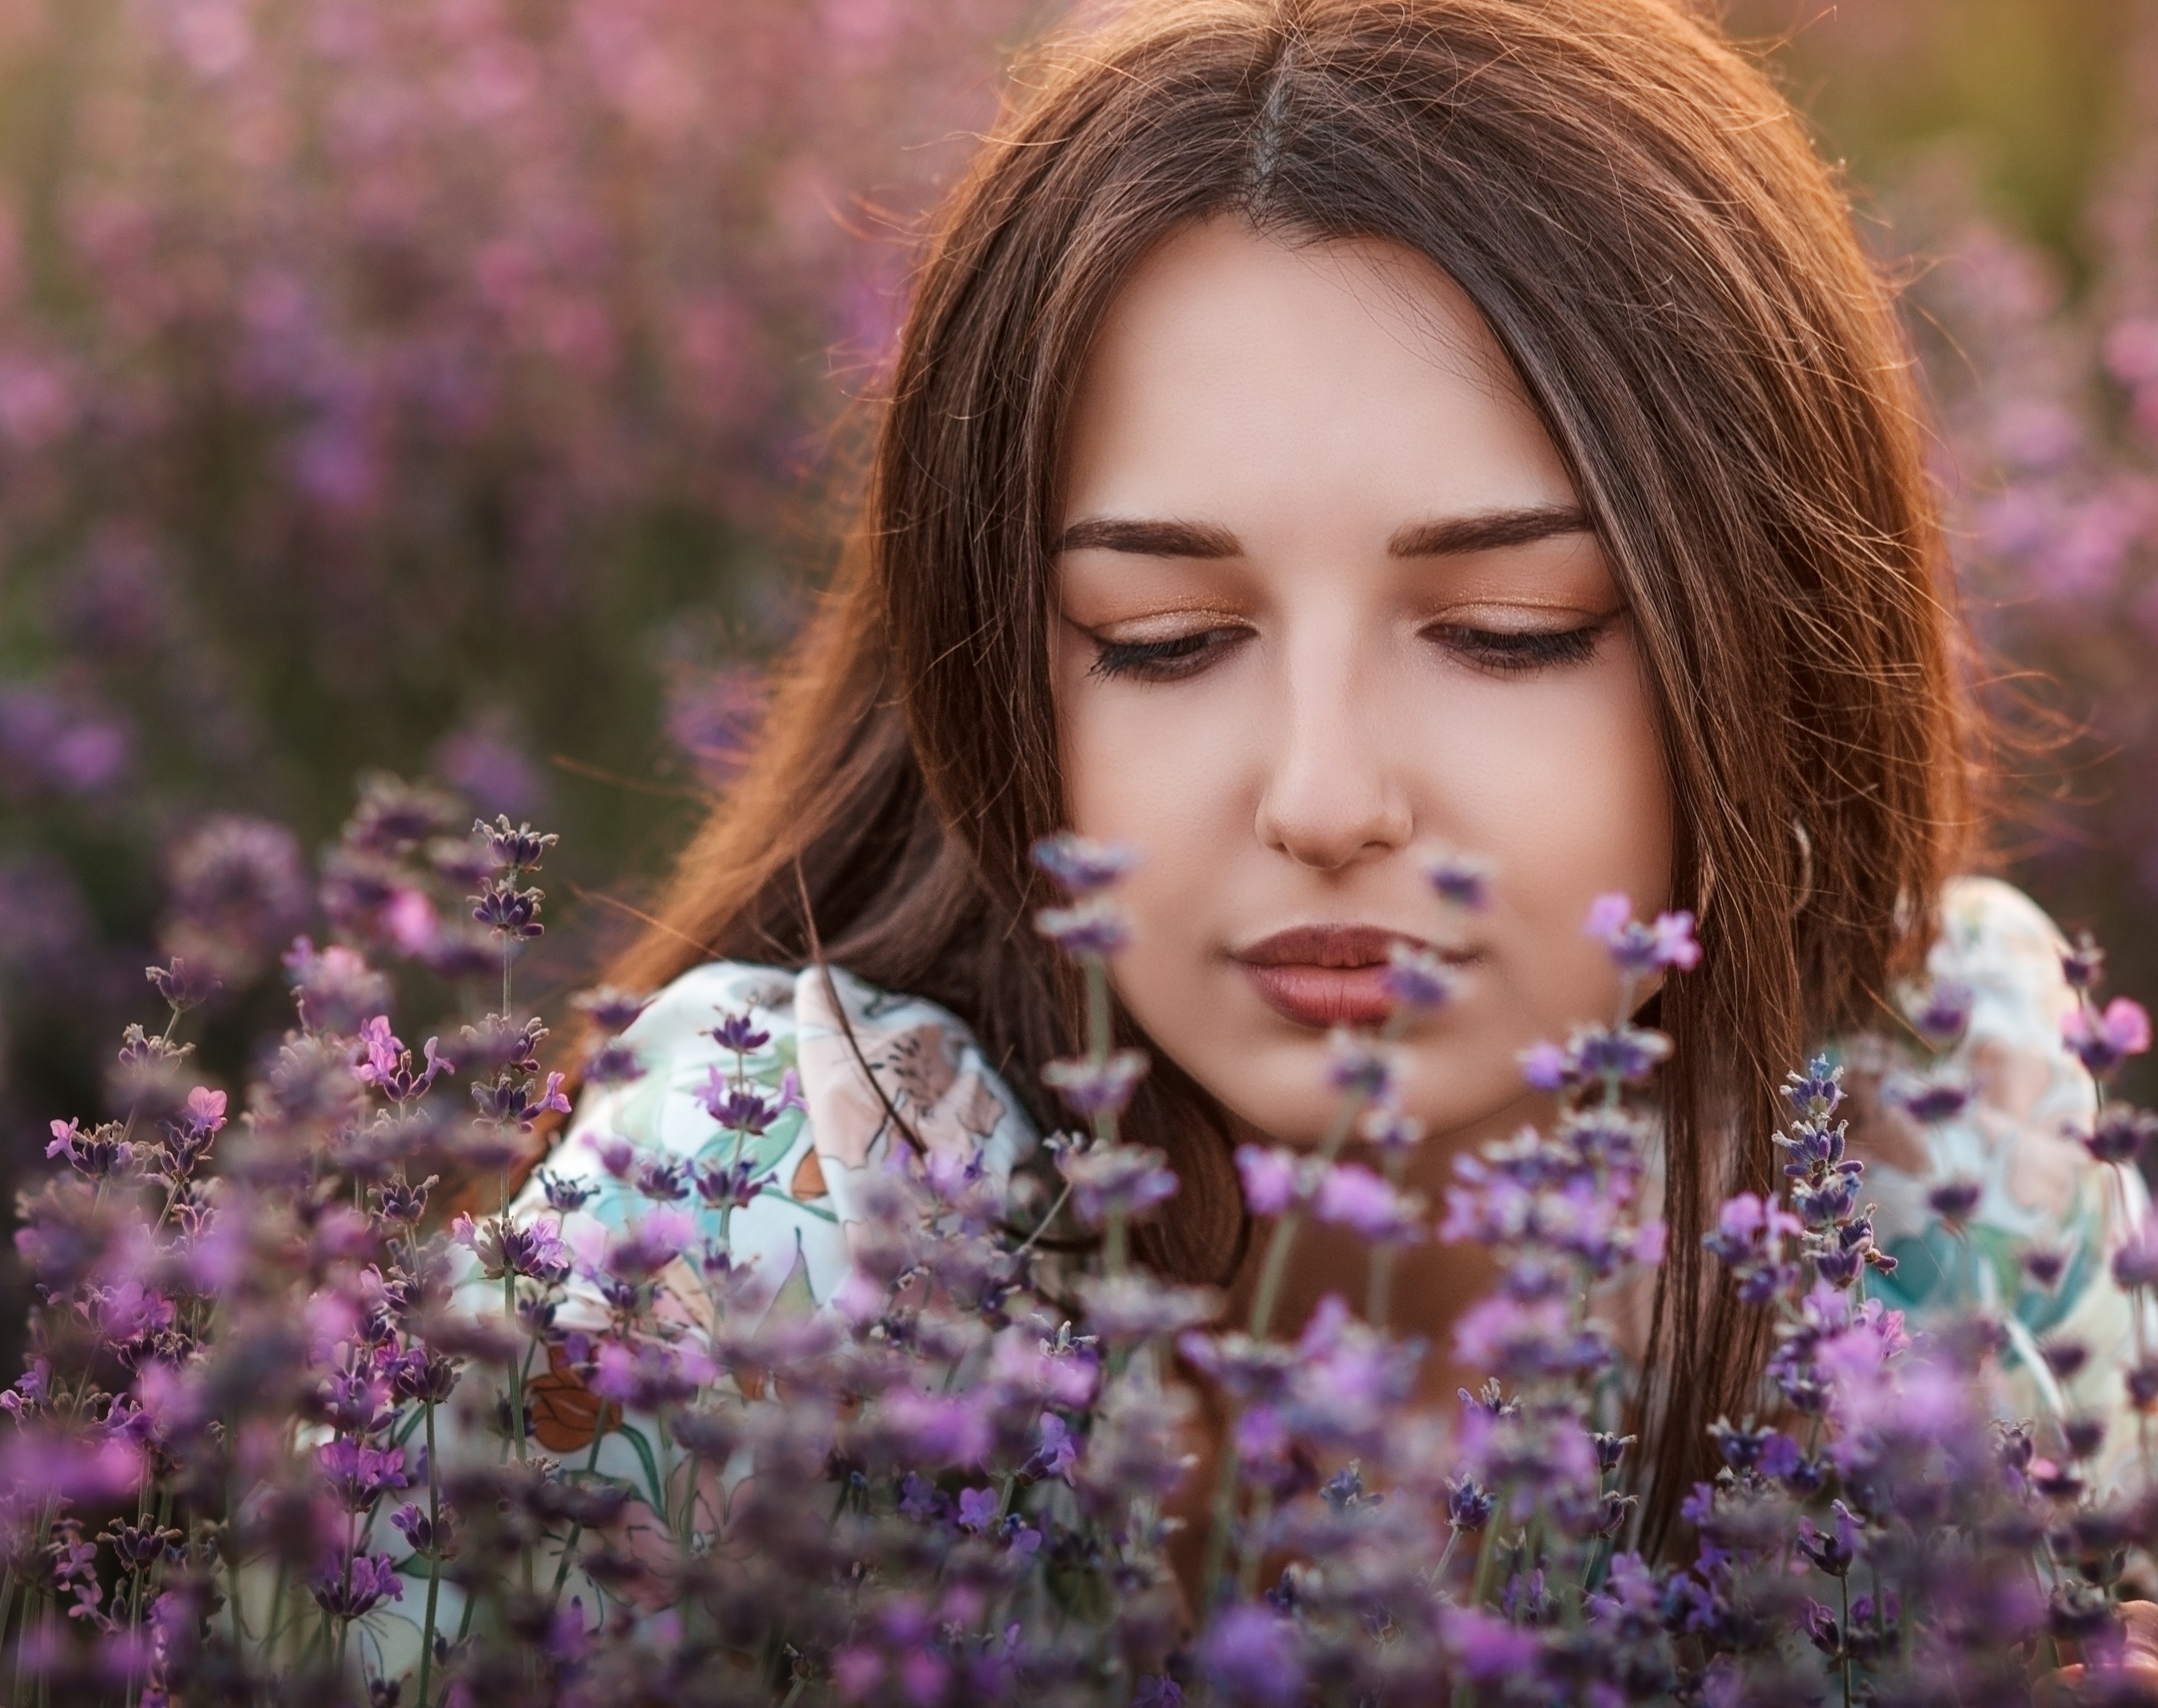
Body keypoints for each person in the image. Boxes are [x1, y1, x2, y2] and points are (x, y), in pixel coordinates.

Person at [534, 0, 2148, 1563]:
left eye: (1508, 634)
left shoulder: (1942, 1137)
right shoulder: (771, 1208)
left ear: (1766, 640)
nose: (1322, 798)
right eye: (1162, 639)